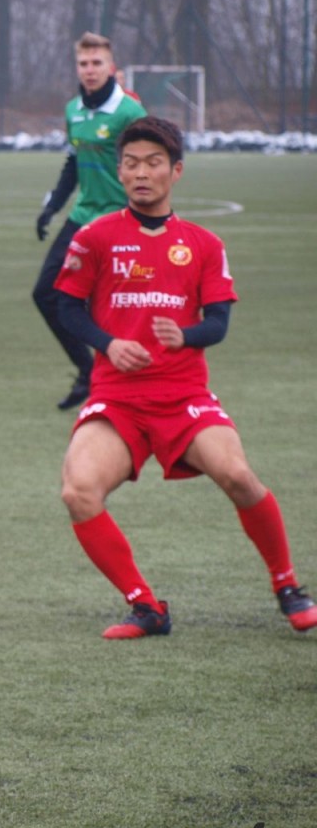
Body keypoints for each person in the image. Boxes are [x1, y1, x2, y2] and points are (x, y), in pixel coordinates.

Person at [54, 115, 317, 640]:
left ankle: (288, 586)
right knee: (78, 491)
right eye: (131, 163)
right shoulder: (94, 237)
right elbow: (65, 307)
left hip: (183, 396)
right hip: (117, 398)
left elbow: (218, 323)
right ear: (119, 172)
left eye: (153, 163)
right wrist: (108, 343)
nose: (140, 173)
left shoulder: (204, 243)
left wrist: (185, 335)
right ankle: (146, 607)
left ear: (176, 171)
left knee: (238, 476)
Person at [34, 32, 146, 410]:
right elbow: (73, 162)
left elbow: (147, 166)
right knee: (46, 293)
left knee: (116, 305)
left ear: (111, 67)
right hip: (82, 218)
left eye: (97, 63)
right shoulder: (73, 111)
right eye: (84, 63)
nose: (90, 70)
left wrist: (143, 218)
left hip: (120, 220)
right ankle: (88, 371)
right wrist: (52, 207)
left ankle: (125, 382)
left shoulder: (129, 113)